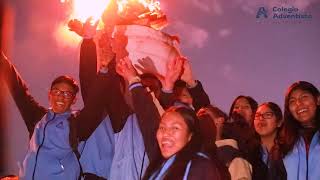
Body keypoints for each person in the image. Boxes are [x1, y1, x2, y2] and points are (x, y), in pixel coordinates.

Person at [0, 52, 110, 179]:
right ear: (49, 95)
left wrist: (103, 69)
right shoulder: (37, 117)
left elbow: (95, 104)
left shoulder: (76, 123)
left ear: (73, 100)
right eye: (56, 92)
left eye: (67, 94)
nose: (60, 97)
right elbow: (18, 89)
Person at [116, 57, 228, 180]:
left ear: (191, 135)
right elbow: (148, 121)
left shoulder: (200, 166)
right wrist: (133, 79)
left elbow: (207, 114)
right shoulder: (160, 166)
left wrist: (190, 82)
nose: (166, 133)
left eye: (175, 127)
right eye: (162, 127)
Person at [197, 105, 252, 180]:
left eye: (204, 115)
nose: (201, 121)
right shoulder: (194, 156)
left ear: (220, 121)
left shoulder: (235, 158)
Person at [279, 81, 320, 180]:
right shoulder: (283, 143)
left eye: (304, 97)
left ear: (318, 100)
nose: (298, 104)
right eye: (292, 101)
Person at [254, 102, 286, 180]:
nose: (261, 118)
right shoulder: (249, 152)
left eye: (267, 115)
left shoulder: (289, 150)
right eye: (257, 116)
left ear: (279, 122)